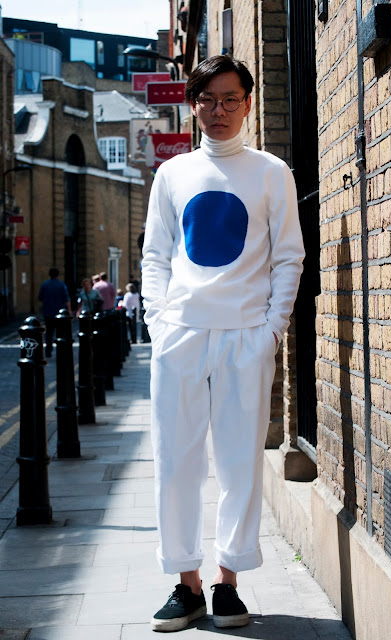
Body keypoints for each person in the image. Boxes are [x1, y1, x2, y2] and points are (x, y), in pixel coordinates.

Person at [142, 55, 305, 633]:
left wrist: (271, 330)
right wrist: (159, 325)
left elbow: (289, 256)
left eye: (230, 99)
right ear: (193, 105)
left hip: (244, 337)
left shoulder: (271, 172)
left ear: (248, 104)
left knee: (239, 463)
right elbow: (156, 256)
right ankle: (185, 584)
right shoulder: (173, 174)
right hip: (182, 334)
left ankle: (227, 582)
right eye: (208, 99)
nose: (219, 110)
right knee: (175, 463)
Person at [38, 267, 71, 357]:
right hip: (60, 313)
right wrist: (69, 310)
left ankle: (48, 351)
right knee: (61, 332)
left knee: (49, 332)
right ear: (58, 274)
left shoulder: (45, 284)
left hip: (48, 312)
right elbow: (67, 298)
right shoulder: (62, 285)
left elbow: (40, 297)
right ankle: (61, 350)